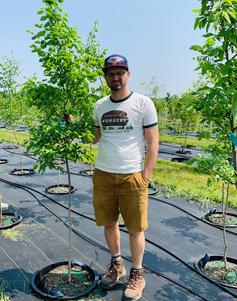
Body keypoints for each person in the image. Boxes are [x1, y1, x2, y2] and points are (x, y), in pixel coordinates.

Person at [92, 54, 159, 301]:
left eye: (120, 72)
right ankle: (117, 264)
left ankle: (137, 273)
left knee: (135, 228)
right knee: (109, 223)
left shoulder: (143, 103)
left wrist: (146, 176)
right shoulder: (99, 106)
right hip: (104, 174)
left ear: (128, 74)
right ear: (106, 77)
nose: (115, 77)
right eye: (111, 73)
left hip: (133, 176)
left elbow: (153, 143)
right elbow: (95, 137)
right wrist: (72, 126)